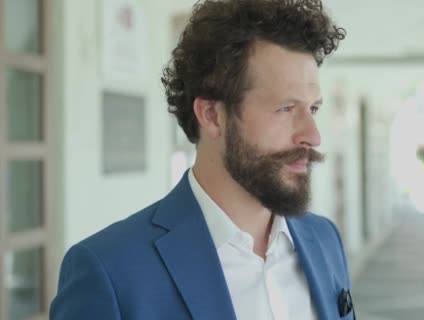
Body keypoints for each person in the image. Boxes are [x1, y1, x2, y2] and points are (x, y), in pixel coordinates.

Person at [50, 0, 354, 319]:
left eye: (314, 109)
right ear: (212, 115)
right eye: (286, 109)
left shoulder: (324, 239)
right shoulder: (110, 272)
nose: (313, 135)